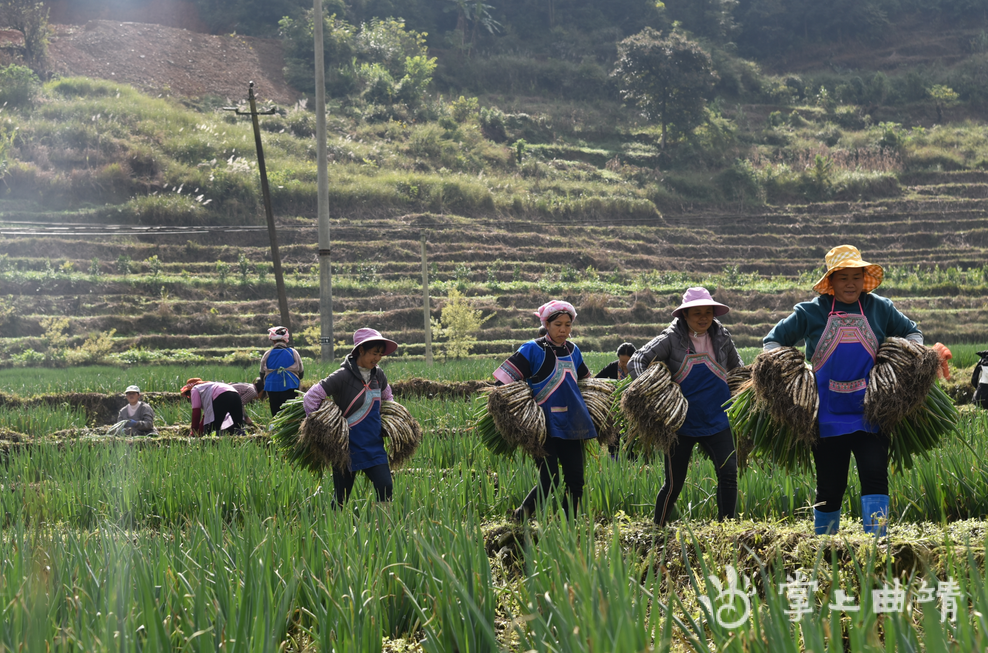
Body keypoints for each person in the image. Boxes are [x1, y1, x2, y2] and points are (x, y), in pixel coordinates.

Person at [763, 245, 923, 536]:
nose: (851, 283)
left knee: (875, 475)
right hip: (827, 412)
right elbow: (773, 341)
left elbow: (913, 332)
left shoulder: (879, 307)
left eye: (857, 277)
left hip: (871, 410)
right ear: (831, 282)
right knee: (830, 484)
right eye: (843, 277)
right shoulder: (811, 311)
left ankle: (878, 543)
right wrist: (781, 371)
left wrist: (906, 354)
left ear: (864, 279)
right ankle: (826, 547)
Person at [628, 287, 743, 527]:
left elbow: (737, 369)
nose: (703, 318)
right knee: (674, 482)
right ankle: (657, 528)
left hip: (717, 417)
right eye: (696, 313)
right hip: (681, 422)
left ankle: (727, 528)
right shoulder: (670, 339)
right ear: (684, 316)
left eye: (708, 312)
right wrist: (652, 392)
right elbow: (637, 359)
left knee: (729, 472)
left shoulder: (722, 337)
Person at [494, 300, 597, 521]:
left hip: (573, 425)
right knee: (550, 479)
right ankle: (520, 518)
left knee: (576, 480)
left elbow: (586, 381)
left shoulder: (573, 350)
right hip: (543, 428)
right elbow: (503, 382)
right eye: (558, 324)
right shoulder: (532, 349)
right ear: (546, 324)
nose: (563, 330)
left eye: (568, 325)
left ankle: (568, 526)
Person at [303, 328, 397, 506]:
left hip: (373, 444)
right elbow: (311, 398)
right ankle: (334, 529)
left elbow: (388, 399)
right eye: (374, 353)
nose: (377, 358)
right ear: (360, 350)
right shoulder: (342, 376)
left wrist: (391, 422)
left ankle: (384, 529)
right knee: (341, 497)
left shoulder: (379, 375)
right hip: (346, 448)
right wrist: (322, 429)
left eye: (380, 354)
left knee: (385, 486)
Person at [260, 326, 304, 417]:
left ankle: (275, 429)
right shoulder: (293, 352)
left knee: (276, 413)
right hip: (290, 386)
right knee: (289, 413)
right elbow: (301, 372)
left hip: (272, 387)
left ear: (273, 341)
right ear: (285, 340)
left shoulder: (267, 354)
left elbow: (262, 373)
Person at [181, 378, 247, 436]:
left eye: (188, 395)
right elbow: (205, 417)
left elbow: (196, 413)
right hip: (236, 395)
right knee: (238, 427)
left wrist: (194, 432)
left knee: (213, 429)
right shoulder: (209, 387)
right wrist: (198, 433)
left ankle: (215, 446)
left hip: (222, 397)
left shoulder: (194, 389)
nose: (189, 397)